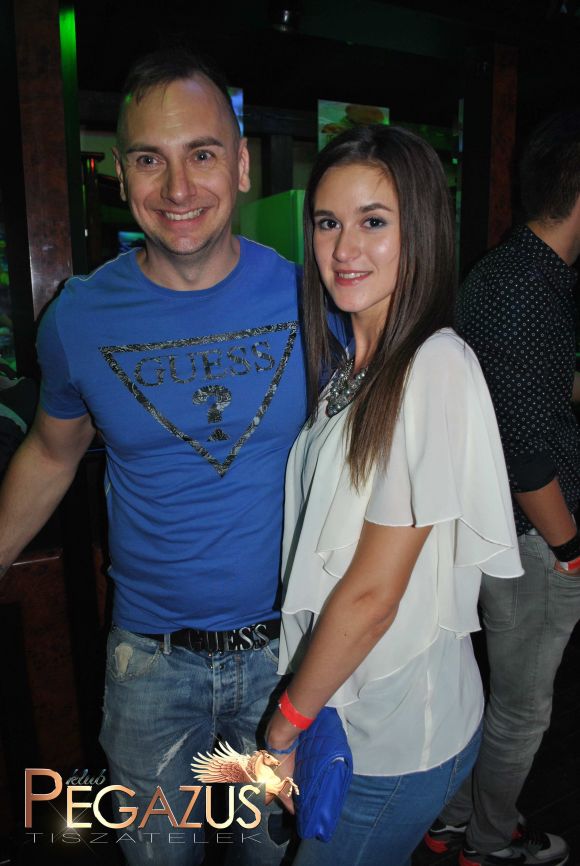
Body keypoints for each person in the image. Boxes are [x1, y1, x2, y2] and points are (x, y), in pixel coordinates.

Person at [0, 48, 318, 866]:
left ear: (241, 165)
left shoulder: (312, 300)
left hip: (288, 661)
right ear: (119, 171)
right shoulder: (79, 319)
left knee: (270, 859)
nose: (178, 189)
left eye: (202, 154)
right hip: (148, 665)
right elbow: (52, 452)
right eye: (150, 159)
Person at [263, 124, 522, 866]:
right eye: (328, 223)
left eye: (373, 221)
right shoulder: (353, 371)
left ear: (422, 231)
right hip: (355, 709)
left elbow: (375, 593)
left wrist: (282, 728)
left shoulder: (433, 365)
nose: (345, 249)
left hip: (395, 735)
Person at [425, 110, 580, 866]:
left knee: (486, 693)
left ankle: (453, 818)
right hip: (532, 538)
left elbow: (522, 390)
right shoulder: (526, 290)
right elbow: (525, 458)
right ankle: (489, 841)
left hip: (496, 532)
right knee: (521, 709)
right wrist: (571, 548)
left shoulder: (512, 271)